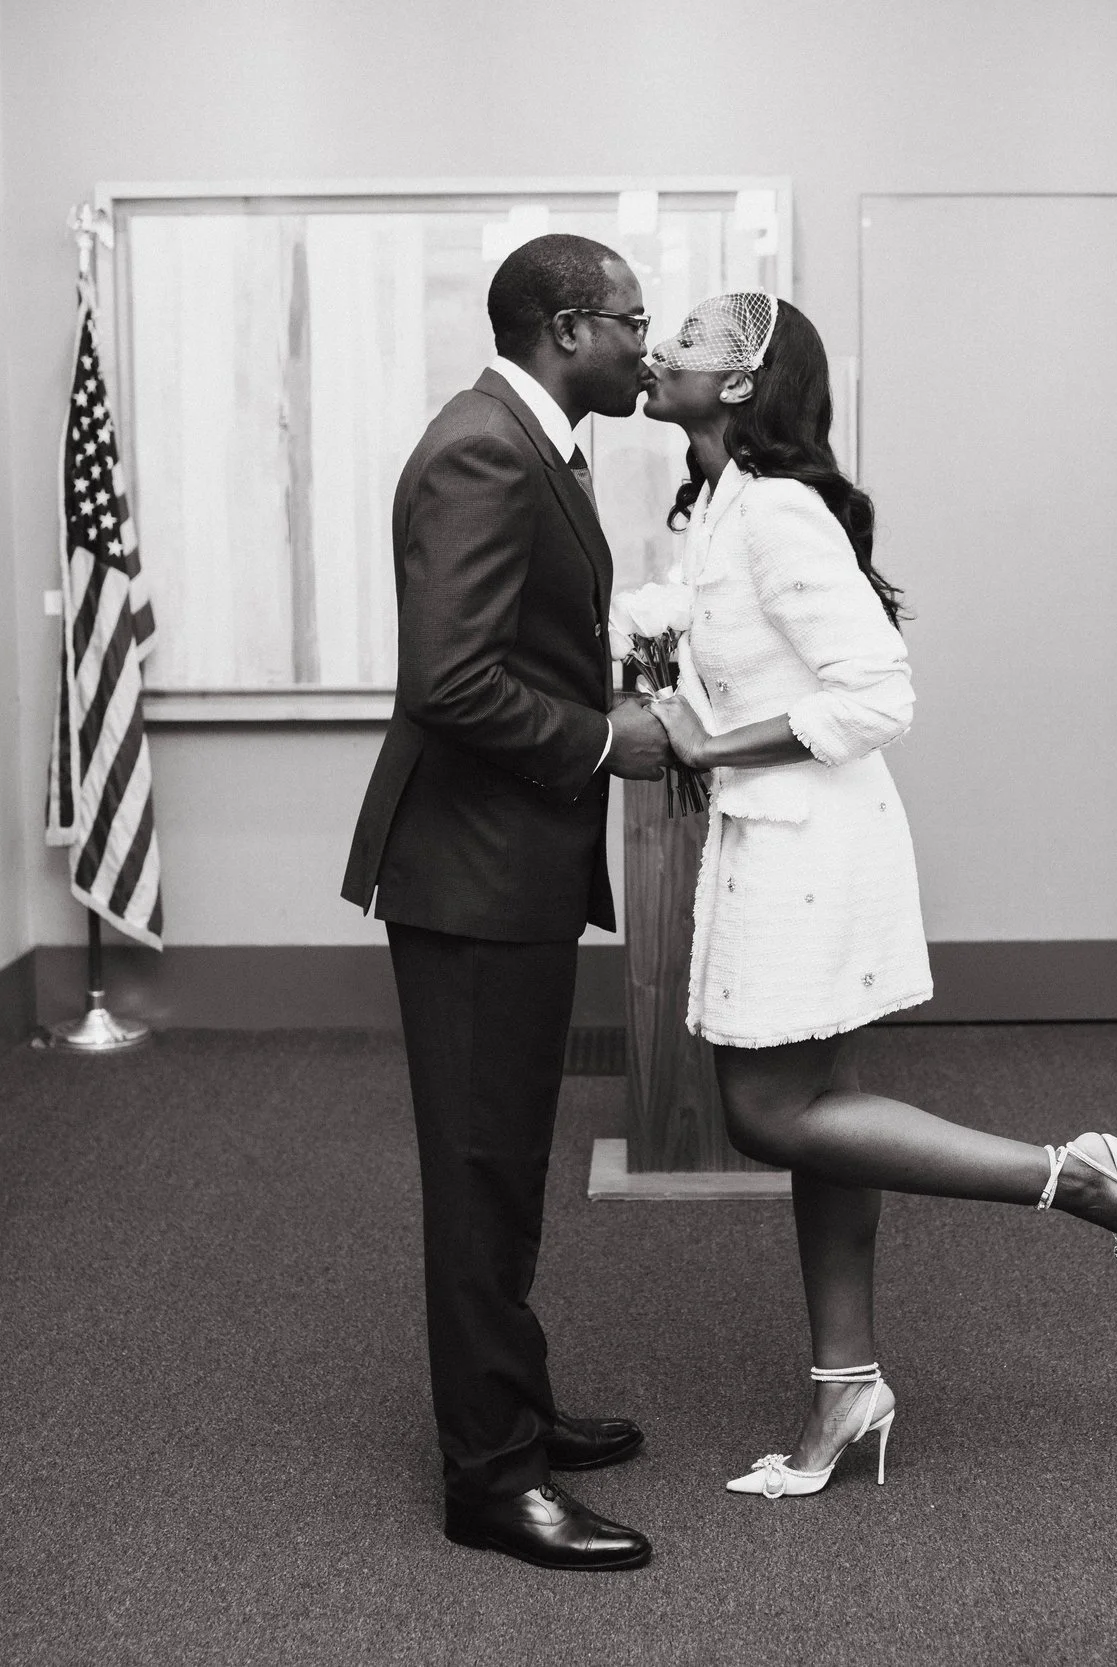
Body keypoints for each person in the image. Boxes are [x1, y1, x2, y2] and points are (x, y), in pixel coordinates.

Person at [640, 293, 1117, 1501]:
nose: (658, 346)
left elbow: (879, 694)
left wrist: (703, 746)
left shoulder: (777, 512)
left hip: (808, 851)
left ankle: (1071, 1171)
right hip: (780, 838)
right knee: (815, 1109)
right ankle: (846, 1386)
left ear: (741, 382)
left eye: (687, 333)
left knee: (766, 1113)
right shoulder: (722, 501)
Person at [341, 234, 672, 1570]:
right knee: (478, 1179)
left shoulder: (531, 440)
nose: (648, 348)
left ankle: (515, 1404)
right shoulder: (484, 447)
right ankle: (490, 1477)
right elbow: (452, 680)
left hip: (510, 872)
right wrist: (607, 740)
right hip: (473, 880)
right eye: (634, 323)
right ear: (567, 324)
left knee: (507, 1166)